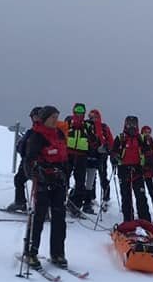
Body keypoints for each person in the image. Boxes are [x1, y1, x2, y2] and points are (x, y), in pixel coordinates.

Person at [24, 106, 70, 269]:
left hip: (58, 181)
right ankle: (31, 252)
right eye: (52, 117)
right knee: (39, 217)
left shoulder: (59, 134)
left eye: (57, 117)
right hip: (43, 182)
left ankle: (57, 253)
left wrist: (65, 175)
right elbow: (29, 159)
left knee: (59, 218)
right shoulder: (37, 135)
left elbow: (64, 156)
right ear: (44, 118)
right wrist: (38, 170)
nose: (55, 120)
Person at [110, 115, 152, 223]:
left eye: (134, 124)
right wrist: (115, 158)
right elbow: (113, 153)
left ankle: (145, 222)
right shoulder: (120, 138)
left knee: (141, 197)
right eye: (129, 124)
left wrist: (148, 164)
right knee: (126, 197)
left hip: (138, 171)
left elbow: (148, 153)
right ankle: (128, 222)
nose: (131, 127)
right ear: (125, 125)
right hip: (124, 170)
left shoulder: (141, 138)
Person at [6, 106, 43, 212]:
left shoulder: (37, 131)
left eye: (37, 116)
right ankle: (22, 203)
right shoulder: (33, 131)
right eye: (34, 117)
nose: (35, 119)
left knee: (38, 185)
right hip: (29, 163)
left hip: (35, 163)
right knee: (20, 180)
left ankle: (23, 203)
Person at [64, 102, 93, 215]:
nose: (79, 113)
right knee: (63, 179)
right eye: (78, 111)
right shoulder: (68, 123)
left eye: (81, 111)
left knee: (80, 182)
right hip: (68, 154)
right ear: (74, 111)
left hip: (82, 156)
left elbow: (93, 140)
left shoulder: (87, 126)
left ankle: (75, 205)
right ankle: (59, 202)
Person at [84, 108, 114, 211]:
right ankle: (92, 197)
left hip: (101, 155)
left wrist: (108, 149)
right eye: (91, 117)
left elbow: (110, 140)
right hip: (90, 154)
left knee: (102, 176)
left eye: (95, 117)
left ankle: (106, 198)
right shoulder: (87, 126)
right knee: (92, 178)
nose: (93, 119)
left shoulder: (104, 127)